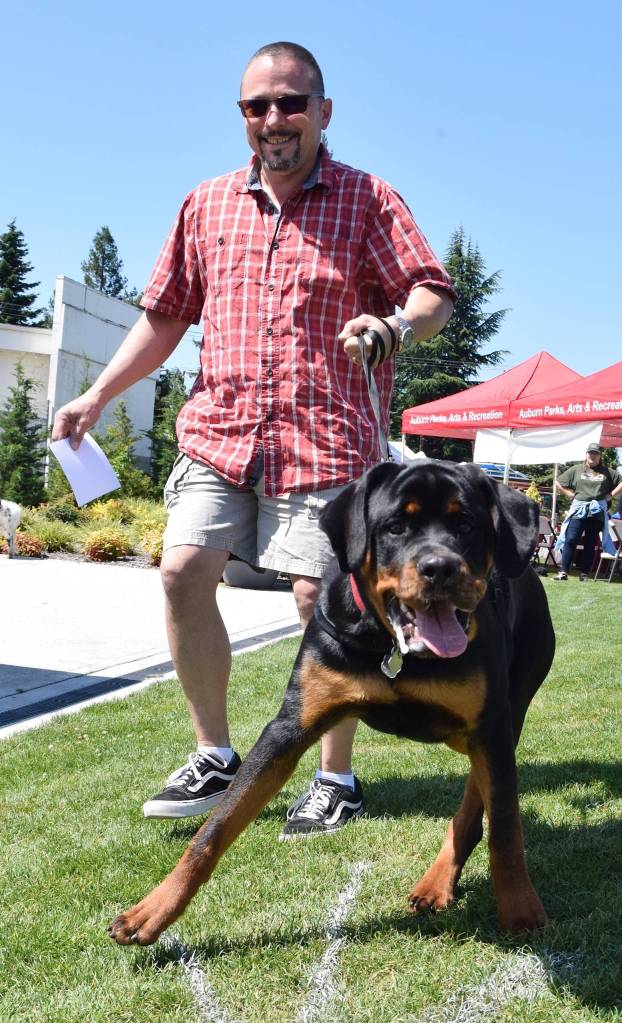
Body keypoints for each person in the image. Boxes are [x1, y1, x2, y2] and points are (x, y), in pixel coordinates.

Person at [52, 41, 455, 839]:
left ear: (323, 112)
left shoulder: (367, 199)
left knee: (320, 599)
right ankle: (213, 752)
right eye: (257, 106)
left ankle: (335, 777)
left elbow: (432, 293)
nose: (274, 119)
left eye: (291, 103)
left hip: (327, 439)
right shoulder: (206, 205)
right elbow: (166, 316)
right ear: (243, 116)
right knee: (181, 571)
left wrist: (394, 325)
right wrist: (98, 393)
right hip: (223, 430)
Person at [554, 443, 622, 581]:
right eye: (590, 453)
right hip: (579, 509)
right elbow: (558, 482)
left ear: (600, 456)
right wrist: (568, 494)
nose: (592, 455)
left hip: (596, 511)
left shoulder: (608, 472)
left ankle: (584, 574)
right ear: (586, 455)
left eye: (595, 453)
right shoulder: (576, 469)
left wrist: (611, 495)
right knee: (571, 539)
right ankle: (563, 572)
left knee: (590, 542)